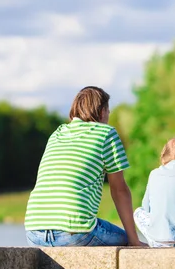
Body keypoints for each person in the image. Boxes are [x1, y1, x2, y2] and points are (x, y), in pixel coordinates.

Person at [24, 86, 144, 247]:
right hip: (73, 233)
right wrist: (134, 240)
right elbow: (119, 190)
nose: (109, 115)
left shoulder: (57, 133)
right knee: (126, 240)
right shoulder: (106, 133)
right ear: (102, 111)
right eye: (109, 111)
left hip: (33, 232)